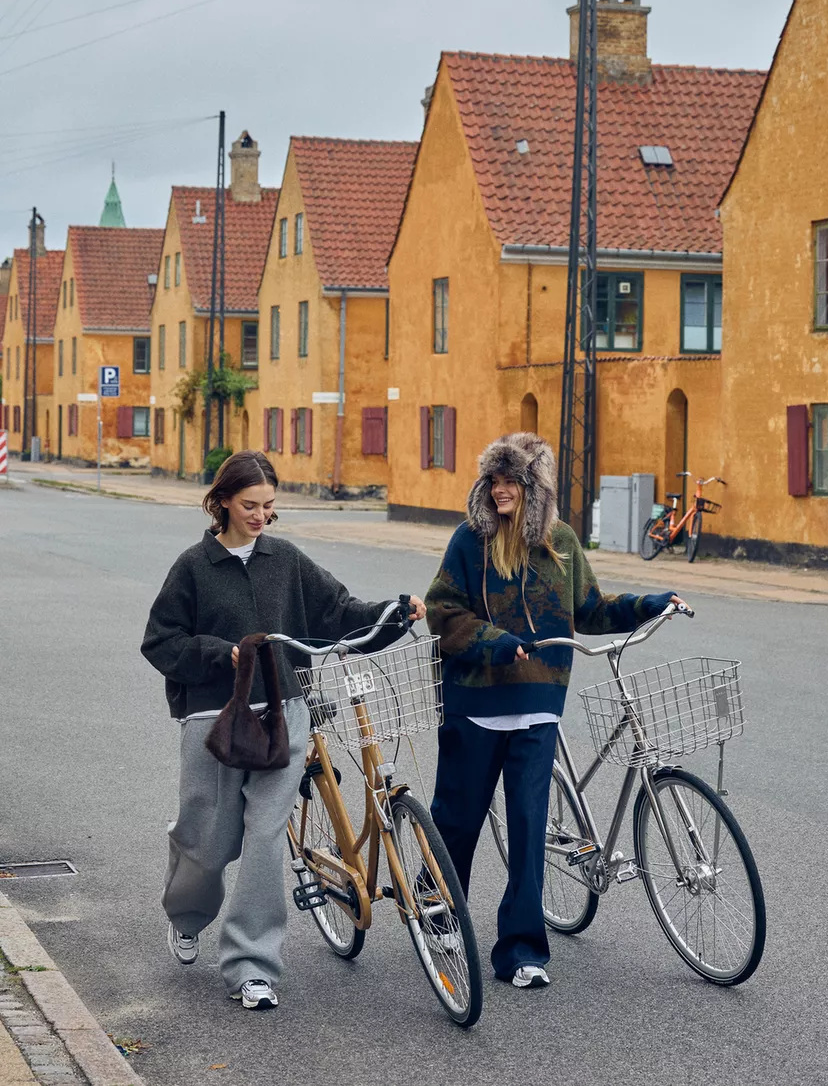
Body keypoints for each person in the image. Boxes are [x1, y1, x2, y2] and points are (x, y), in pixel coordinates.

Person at [141, 449, 425, 1010]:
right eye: (250, 505)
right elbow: (161, 642)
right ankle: (188, 915)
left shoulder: (286, 560)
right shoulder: (194, 567)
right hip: (213, 719)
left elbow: (339, 612)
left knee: (268, 838)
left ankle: (252, 967)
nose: (261, 515)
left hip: (285, 713)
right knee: (209, 841)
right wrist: (220, 654)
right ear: (221, 501)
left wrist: (394, 614)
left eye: (270, 506)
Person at [425, 433, 684, 990]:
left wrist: (652, 602)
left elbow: (591, 609)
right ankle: (440, 913)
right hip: (475, 706)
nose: (499, 490)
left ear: (533, 487)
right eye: (493, 480)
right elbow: (443, 612)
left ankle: (520, 951)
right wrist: (491, 639)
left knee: (527, 830)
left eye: (510, 480)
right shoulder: (470, 542)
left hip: (539, 708)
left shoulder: (560, 543)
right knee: (457, 821)